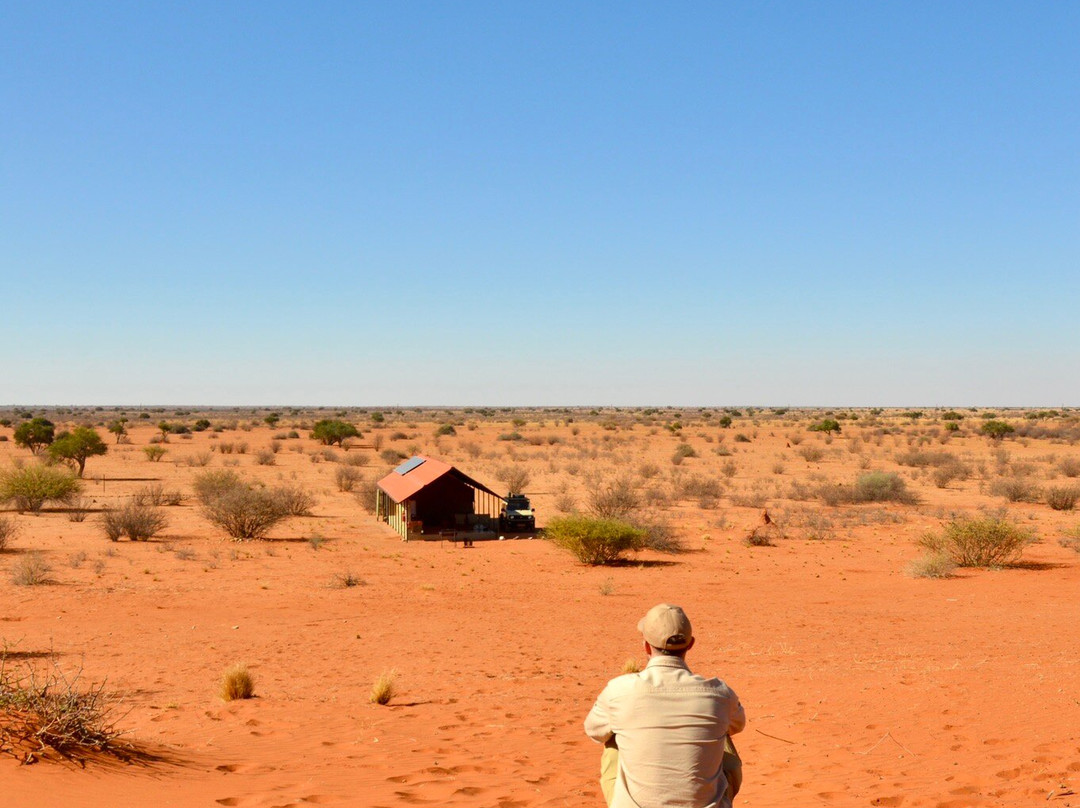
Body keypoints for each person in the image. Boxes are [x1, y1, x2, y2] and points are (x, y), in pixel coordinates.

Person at [584, 603, 746, 808]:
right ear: (691, 644)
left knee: (614, 734)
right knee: (722, 731)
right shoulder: (720, 694)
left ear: (646, 646)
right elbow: (738, 724)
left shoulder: (619, 689)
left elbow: (593, 730)